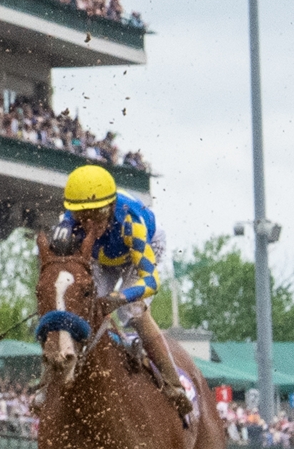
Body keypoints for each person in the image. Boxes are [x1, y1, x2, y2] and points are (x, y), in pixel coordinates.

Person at [51, 162, 191, 422]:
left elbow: (150, 281)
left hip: (139, 252)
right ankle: (52, 378)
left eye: (98, 214)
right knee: (83, 304)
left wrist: (121, 297)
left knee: (133, 311)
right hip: (103, 258)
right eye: (84, 217)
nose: (91, 224)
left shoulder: (131, 222)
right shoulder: (68, 223)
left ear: (112, 206)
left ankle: (174, 386)